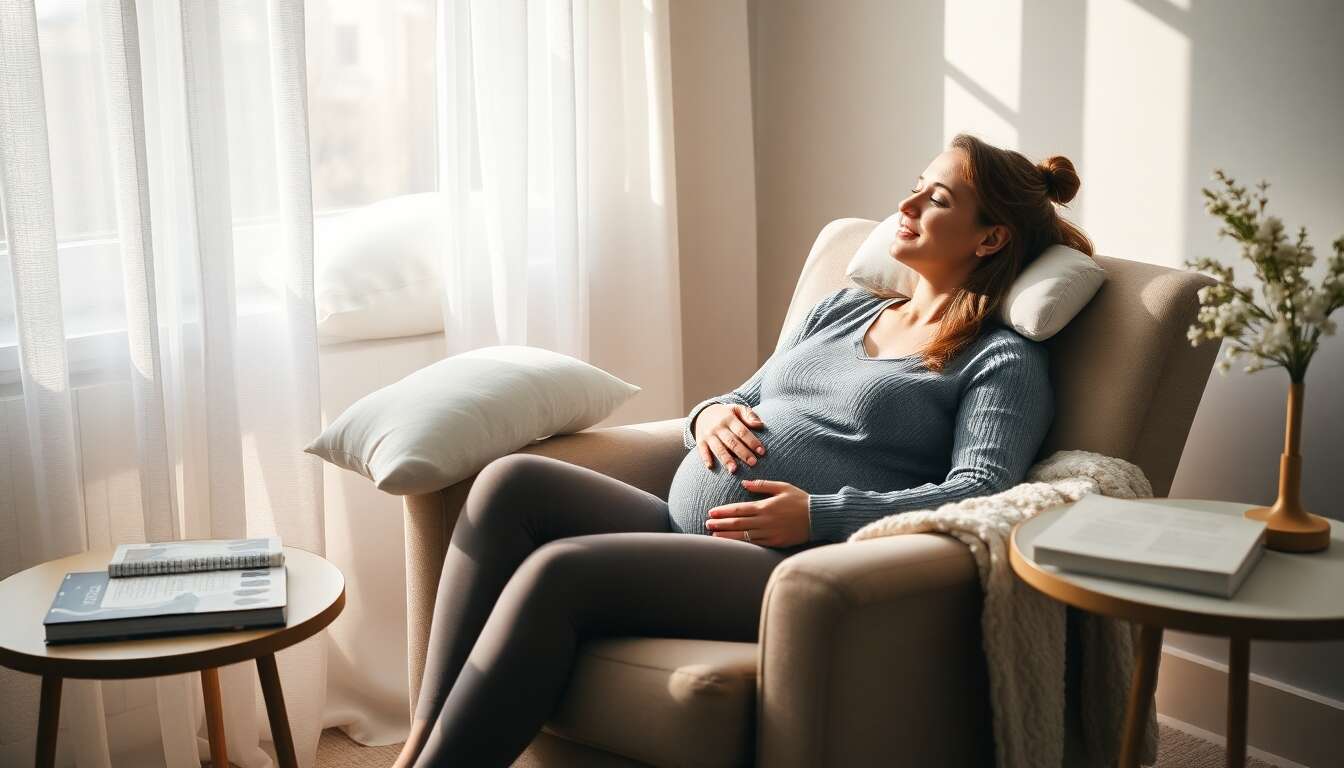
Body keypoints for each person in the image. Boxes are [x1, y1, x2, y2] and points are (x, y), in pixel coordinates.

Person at [394, 134, 1092, 767]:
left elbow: (983, 489)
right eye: (914, 183)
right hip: (688, 532)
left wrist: (820, 516)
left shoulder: (1000, 359)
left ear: (991, 239)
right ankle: (419, 748)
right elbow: (745, 396)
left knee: (560, 571)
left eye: (936, 198)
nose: (906, 203)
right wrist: (708, 416)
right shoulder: (844, 308)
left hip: (789, 569)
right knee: (510, 483)